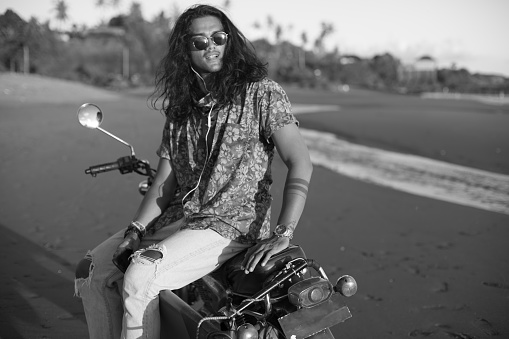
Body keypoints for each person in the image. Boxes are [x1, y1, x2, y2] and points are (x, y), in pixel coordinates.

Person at [74, 4, 313, 339]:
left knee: (141, 275)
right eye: (198, 42)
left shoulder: (261, 92)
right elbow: (164, 182)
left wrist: (284, 232)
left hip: (231, 223)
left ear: (230, 41)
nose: (210, 46)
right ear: (184, 52)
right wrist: (135, 229)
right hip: (180, 216)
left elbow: (300, 160)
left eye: (218, 37)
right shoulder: (181, 108)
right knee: (93, 270)